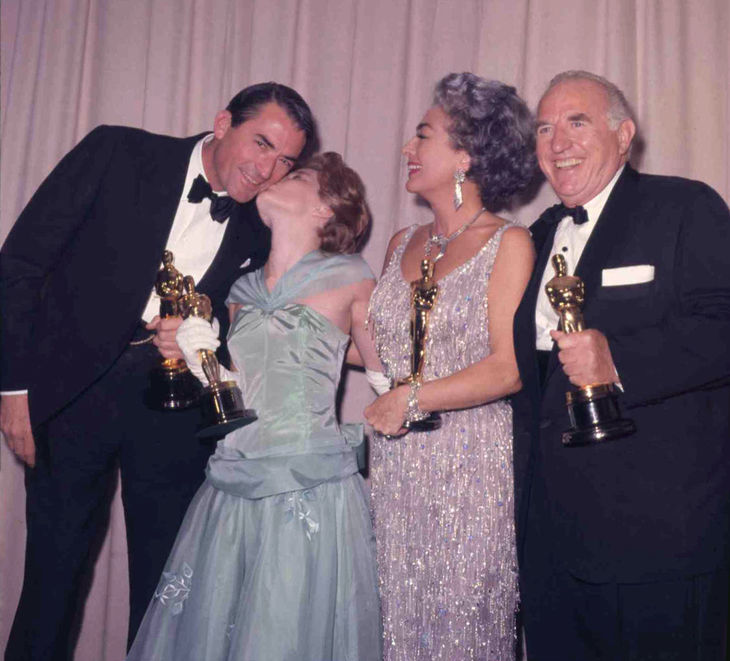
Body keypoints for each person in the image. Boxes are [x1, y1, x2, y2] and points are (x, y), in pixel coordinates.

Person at [0, 82, 314, 659]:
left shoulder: (261, 224)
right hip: (73, 393)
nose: (268, 169)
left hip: (172, 414)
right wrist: (13, 387)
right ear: (223, 122)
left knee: (165, 589)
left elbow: (250, 321)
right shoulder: (118, 153)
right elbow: (19, 265)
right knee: (52, 578)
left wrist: (206, 338)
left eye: (285, 159)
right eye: (261, 143)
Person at [126, 152, 382, 661]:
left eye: (300, 176)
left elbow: (383, 374)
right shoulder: (239, 289)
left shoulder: (351, 275)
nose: (278, 177)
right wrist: (202, 360)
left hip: (305, 482)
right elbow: (235, 388)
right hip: (232, 482)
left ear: (327, 208)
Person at [512, 70, 730, 660]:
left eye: (577, 122)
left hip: (657, 538)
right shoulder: (531, 238)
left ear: (624, 134)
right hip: (552, 541)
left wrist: (620, 359)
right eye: (546, 129)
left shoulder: (684, 206)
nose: (558, 143)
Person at [365, 72, 536, 659]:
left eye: (422, 136)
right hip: (392, 470)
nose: (407, 151)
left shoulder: (508, 244)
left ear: (466, 154)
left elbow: (508, 368)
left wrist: (413, 398)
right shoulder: (399, 243)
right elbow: (380, 350)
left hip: (470, 470)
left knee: (463, 630)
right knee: (394, 627)